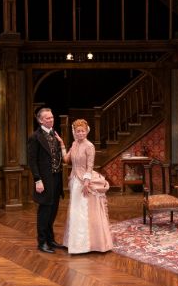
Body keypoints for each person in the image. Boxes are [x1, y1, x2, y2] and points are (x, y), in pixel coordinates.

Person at [62, 119, 114, 254]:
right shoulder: (74, 144)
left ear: (87, 131)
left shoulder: (89, 146)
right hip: (74, 181)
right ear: (74, 132)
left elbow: (90, 166)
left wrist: (86, 182)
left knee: (84, 211)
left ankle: (87, 244)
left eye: (82, 131)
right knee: (75, 211)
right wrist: (62, 145)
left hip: (84, 181)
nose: (80, 133)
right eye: (78, 131)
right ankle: (75, 244)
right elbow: (66, 160)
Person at [27, 106, 67, 253]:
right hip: (44, 180)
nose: (51, 120)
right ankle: (42, 242)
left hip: (56, 179)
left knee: (53, 210)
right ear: (40, 120)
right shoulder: (35, 137)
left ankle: (50, 239)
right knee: (44, 212)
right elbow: (32, 161)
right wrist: (37, 180)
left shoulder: (55, 135)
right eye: (47, 118)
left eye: (52, 117)